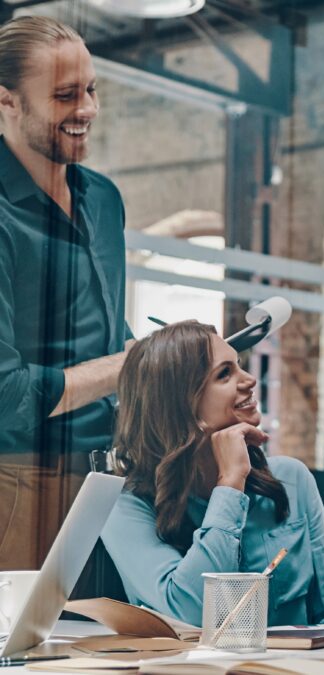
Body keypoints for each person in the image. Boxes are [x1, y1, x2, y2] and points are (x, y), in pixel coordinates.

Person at [101, 322, 324, 628]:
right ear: (181, 404)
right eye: (224, 374)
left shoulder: (291, 479)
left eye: (239, 365)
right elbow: (193, 611)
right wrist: (230, 484)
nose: (250, 380)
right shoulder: (125, 507)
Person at [0, 16, 133, 570]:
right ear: (6, 101)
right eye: (64, 95)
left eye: (91, 89)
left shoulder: (103, 197)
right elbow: (5, 395)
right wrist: (128, 365)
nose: (88, 109)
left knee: (118, 627)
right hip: (18, 481)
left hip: (112, 481)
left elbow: (104, 328)